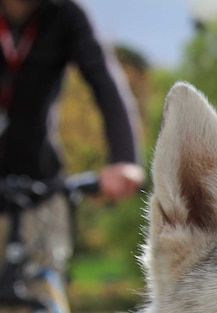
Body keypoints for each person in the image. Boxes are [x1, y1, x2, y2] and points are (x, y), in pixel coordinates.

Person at [0, 0, 144, 274]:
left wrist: (124, 159)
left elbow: (104, 81)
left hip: (40, 186)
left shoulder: (66, 15)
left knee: (39, 292)